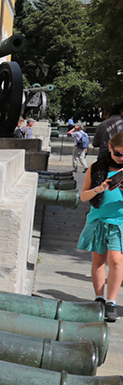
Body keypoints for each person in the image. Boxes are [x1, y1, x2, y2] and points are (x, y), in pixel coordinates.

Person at [78, 128, 123, 321]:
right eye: (118, 153)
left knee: (116, 260)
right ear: (110, 148)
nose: (121, 158)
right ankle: (99, 299)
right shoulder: (96, 168)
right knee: (98, 260)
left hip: (119, 222)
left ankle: (111, 302)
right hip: (98, 220)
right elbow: (83, 196)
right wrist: (99, 188)